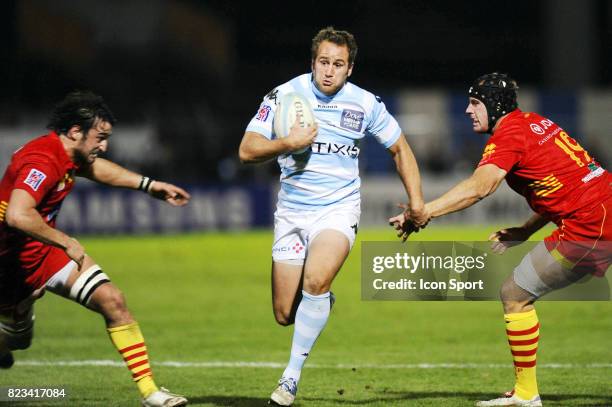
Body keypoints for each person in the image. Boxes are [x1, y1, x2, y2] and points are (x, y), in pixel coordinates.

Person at [391, 72, 611, 407]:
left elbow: (480, 187)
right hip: (602, 208)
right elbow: (565, 187)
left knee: (515, 293)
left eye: (475, 102)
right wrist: (525, 230)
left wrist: (423, 212)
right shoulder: (534, 122)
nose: (468, 110)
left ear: (494, 106)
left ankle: (525, 394)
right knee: (516, 292)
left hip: (591, 225)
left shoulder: (509, 134)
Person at [239, 26, 427, 406]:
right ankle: (320, 300)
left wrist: (417, 202)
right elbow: (247, 150)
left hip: (337, 210)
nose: (329, 71)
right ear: (312, 62)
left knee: (316, 278)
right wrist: (287, 143)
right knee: (282, 313)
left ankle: (289, 379)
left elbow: (400, 148)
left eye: (337, 64)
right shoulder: (283, 95)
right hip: (292, 212)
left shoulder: (365, 104)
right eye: (323, 62)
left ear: (350, 68)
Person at [0, 91, 191, 407]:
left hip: (43, 251)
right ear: (75, 131)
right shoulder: (43, 159)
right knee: (19, 340)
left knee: (112, 300)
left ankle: (150, 393)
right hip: (9, 264)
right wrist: (66, 241)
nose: (104, 146)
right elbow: (18, 214)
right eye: (100, 138)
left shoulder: (68, 155)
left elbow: (98, 169)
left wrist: (149, 185)